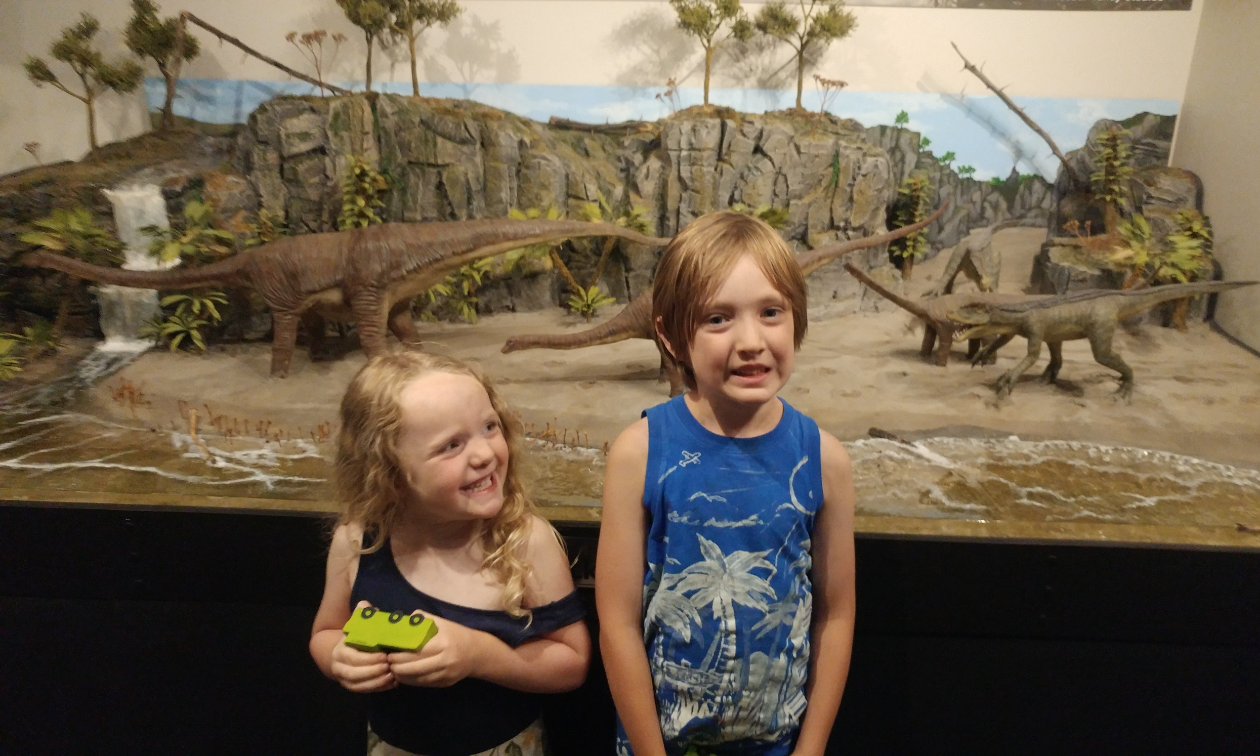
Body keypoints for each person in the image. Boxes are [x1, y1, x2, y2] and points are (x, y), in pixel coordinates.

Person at [596, 211, 857, 756]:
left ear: (796, 318)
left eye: (770, 312)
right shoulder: (637, 453)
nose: (751, 341)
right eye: (718, 318)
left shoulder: (825, 460)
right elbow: (617, 623)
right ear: (669, 334)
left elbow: (836, 614)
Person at [311, 350, 591, 756]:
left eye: (489, 427)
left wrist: (479, 656)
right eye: (451, 445)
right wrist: (339, 658)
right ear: (386, 469)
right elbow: (325, 632)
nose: (484, 454)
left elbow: (573, 662)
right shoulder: (357, 540)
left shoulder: (524, 539)